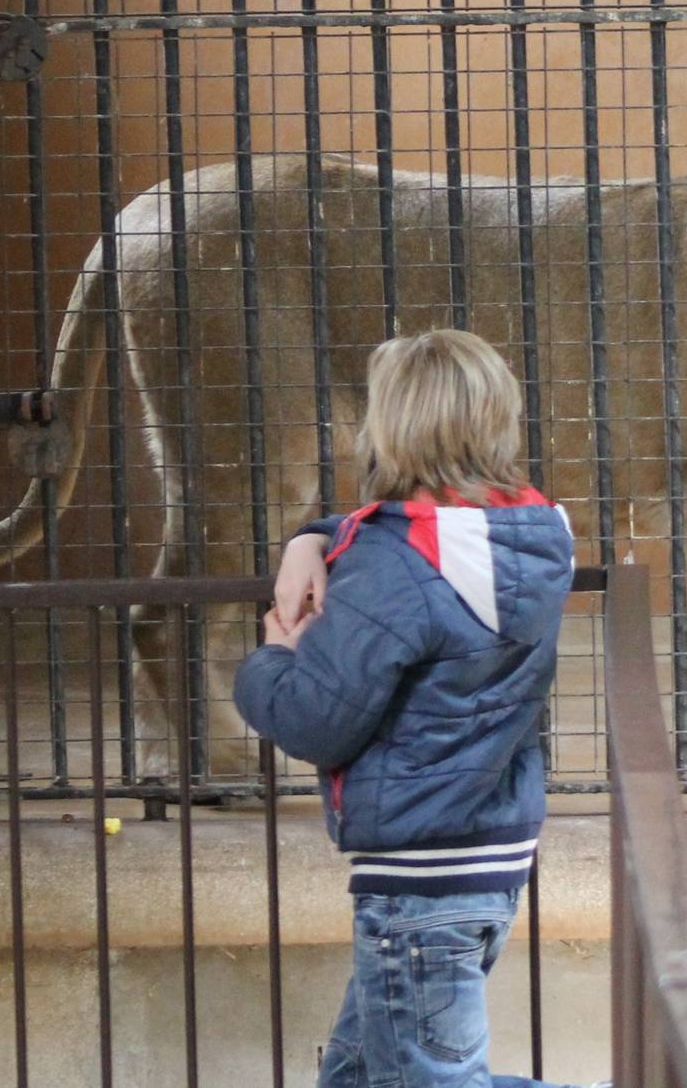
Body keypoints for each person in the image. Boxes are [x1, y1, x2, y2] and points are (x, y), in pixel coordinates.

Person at [234, 329, 581, 1088]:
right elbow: (401, 531)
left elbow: (316, 718)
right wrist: (312, 539)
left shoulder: (392, 566)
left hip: (417, 882)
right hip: (492, 860)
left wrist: (270, 660)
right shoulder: (536, 538)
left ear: (391, 425)